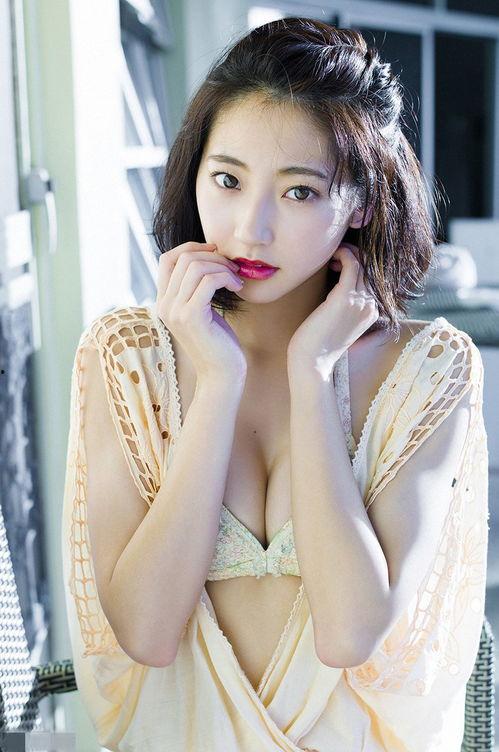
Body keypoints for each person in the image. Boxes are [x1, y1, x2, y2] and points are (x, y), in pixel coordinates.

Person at [61, 17, 489, 751]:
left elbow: (350, 632)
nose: (250, 229)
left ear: (361, 202)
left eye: (298, 192)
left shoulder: (429, 368)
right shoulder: (128, 356)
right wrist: (217, 382)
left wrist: (313, 371)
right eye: (227, 180)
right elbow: (146, 634)